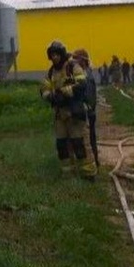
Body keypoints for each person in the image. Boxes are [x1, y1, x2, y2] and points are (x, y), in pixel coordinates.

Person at [41, 40, 93, 179]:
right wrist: (51, 96)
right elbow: (44, 89)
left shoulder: (72, 66)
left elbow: (82, 83)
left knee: (78, 143)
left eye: (57, 54)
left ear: (62, 54)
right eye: (52, 55)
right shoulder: (51, 71)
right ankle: (68, 174)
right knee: (61, 145)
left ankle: (87, 173)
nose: (55, 57)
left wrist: (66, 91)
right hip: (59, 113)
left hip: (74, 111)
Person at [72, 49, 99, 174]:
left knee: (88, 139)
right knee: (90, 137)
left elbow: (89, 95)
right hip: (89, 111)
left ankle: (93, 164)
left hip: (87, 112)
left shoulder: (86, 75)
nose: (74, 61)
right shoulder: (87, 72)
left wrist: (89, 108)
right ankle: (95, 163)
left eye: (76, 58)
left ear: (82, 60)